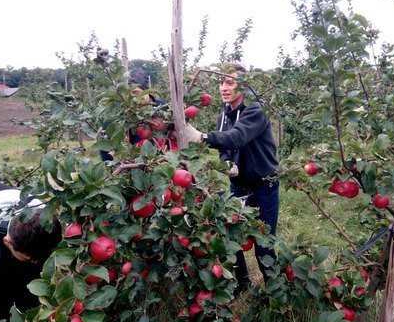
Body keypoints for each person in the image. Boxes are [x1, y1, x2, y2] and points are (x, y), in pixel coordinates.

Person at [185, 62, 280, 294]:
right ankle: (242, 282)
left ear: (244, 87)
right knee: (231, 236)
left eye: (230, 82)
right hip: (238, 186)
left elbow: (237, 137)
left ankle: (276, 294)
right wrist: (227, 163)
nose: (223, 87)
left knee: (264, 246)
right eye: (221, 82)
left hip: (263, 186)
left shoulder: (256, 110)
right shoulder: (223, 116)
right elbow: (226, 147)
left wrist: (202, 137)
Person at [0, 182, 62, 322]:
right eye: (30, 257)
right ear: (7, 242)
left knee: (27, 295)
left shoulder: (44, 215)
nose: (35, 261)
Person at [99, 67, 177, 161]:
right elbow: (105, 151)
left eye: (136, 92)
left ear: (146, 91)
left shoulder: (163, 107)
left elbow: (181, 133)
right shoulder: (116, 117)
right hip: (132, 168)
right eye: (127, 95)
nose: (132, 98)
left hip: (166, 164)